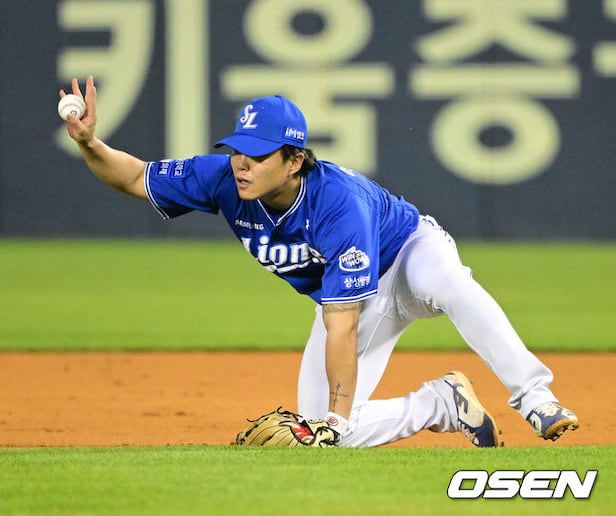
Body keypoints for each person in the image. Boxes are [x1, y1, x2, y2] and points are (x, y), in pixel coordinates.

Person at [60, 76, 579, 448]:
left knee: (450, 285)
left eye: (258, 154)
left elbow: (343, 325)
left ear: (294, 160)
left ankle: (536, 396)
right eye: (237, 149)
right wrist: (90, 143)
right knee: (317, 433)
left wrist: (338, 413)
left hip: (407, 254)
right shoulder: (222, 179)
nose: (242, 163)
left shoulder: (337, 204)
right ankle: (441, 403)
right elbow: (135, 176)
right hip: (351, 301)